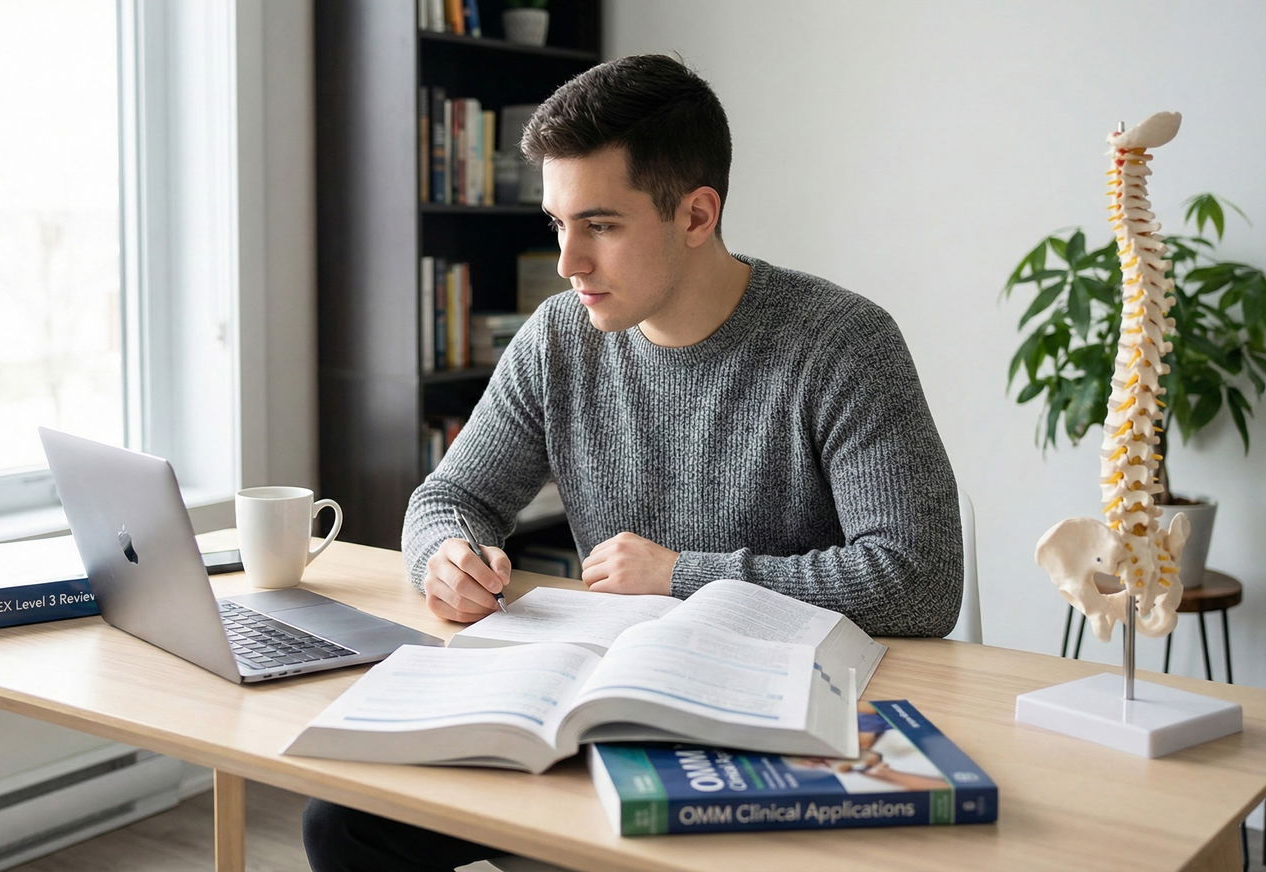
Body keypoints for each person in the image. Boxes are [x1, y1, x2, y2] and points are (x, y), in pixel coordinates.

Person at [302, 53, 961, 872]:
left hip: (765, 722)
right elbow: (452, 494)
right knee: (341, 821)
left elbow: (920, 579)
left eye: (600, 226)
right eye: (558, 224)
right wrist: (446, 556)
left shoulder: (842, 344)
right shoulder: (556, 339)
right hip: (595, 704)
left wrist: (684, 575)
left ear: (695, 214)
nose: (569, 261)